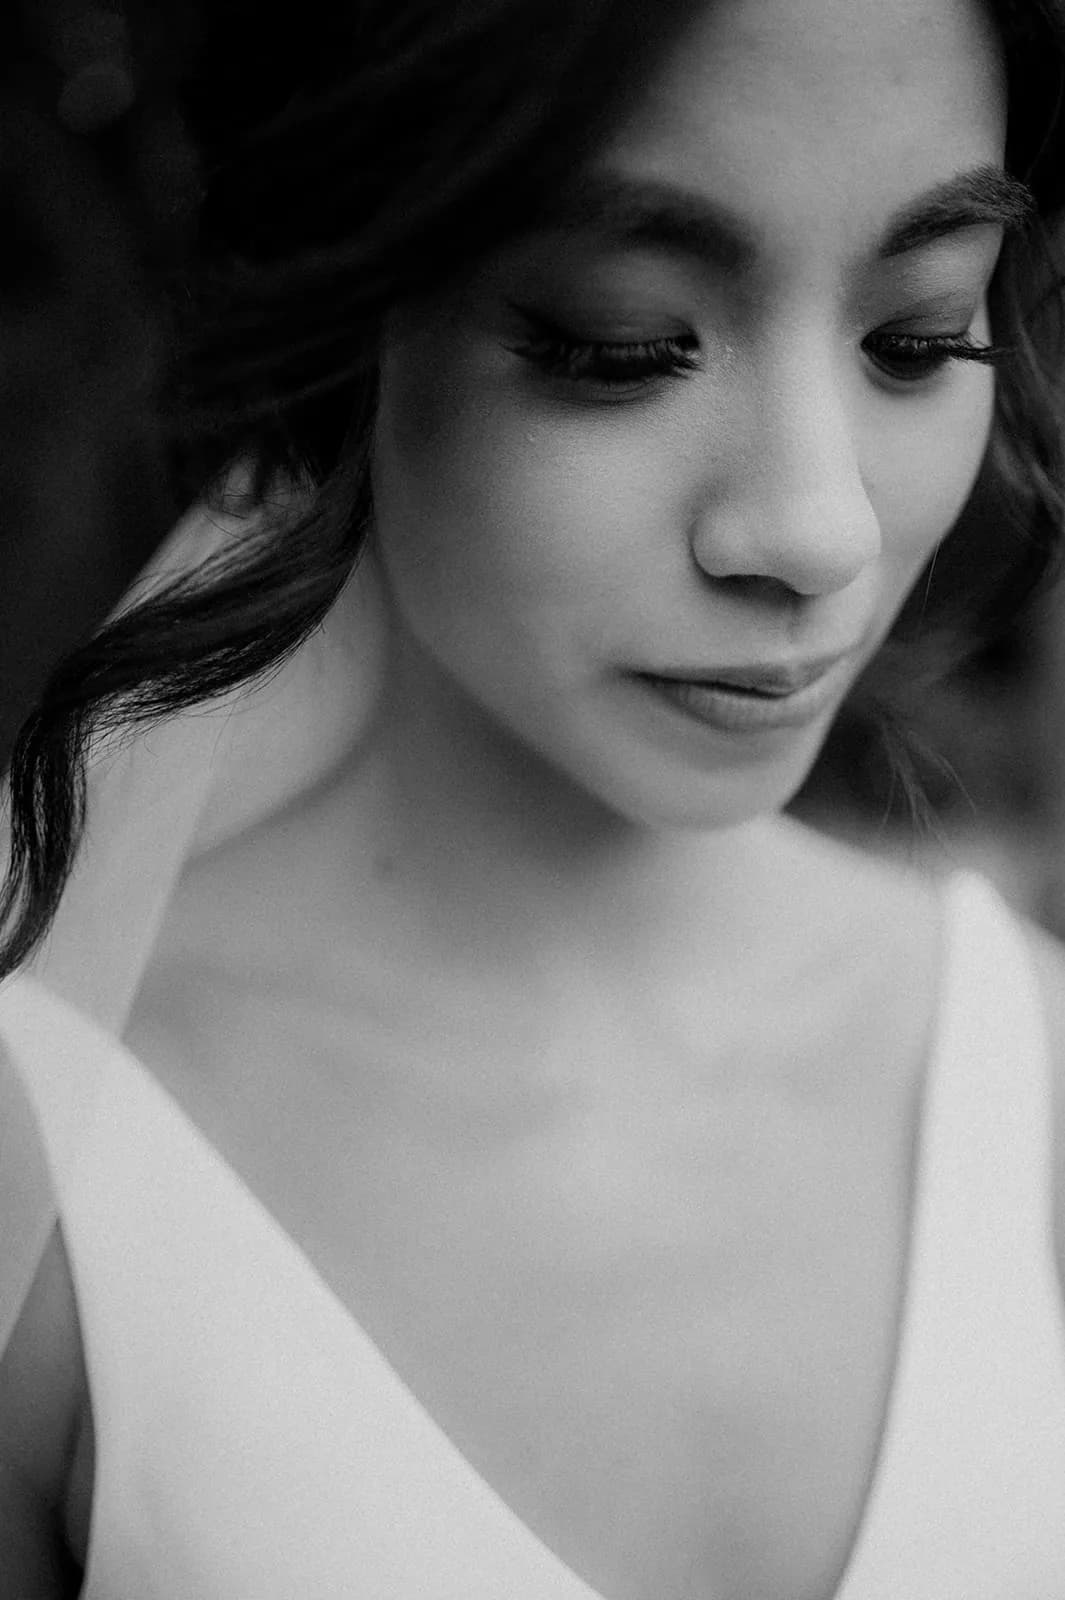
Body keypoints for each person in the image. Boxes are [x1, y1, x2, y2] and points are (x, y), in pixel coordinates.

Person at [2, 0, 1065, 1594]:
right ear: (345, 312)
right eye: (619, 344)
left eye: (915, 338)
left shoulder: (1033, 1064)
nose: (815, 526)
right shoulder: (48, 1172)